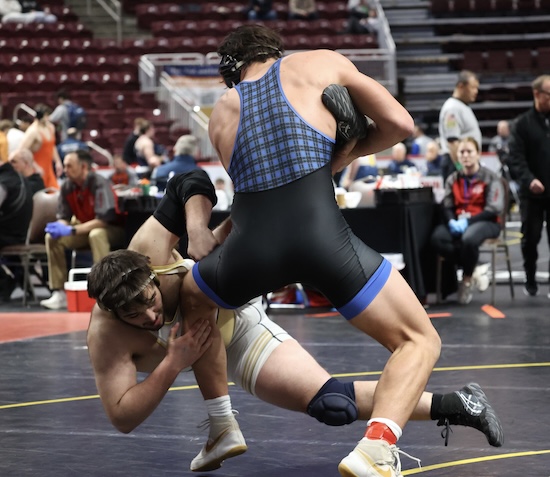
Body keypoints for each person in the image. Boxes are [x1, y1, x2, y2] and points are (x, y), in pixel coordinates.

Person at [87, 169, 503, 472]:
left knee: (230, 262)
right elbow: (123, 417)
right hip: (206, 352)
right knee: (332, 406)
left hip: (232, 318)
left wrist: (196, 227)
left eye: (150, 301)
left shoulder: (149, 249)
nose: (151, 316)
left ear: (151, 274)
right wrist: (172, 363)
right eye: (133, 316)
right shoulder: (106, 336)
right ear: (112, 313)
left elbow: (188, 181)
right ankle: (460, 404)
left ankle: (221, 425)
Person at [186, 24, 442, 477]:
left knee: (193, 297)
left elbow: (257, 192)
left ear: (231, 71)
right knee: (418, 340)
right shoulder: (320, 62)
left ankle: (222, 425)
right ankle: (376, 448)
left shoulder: (221, 110)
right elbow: (400, 125)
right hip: (323, 241)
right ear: (274, 51)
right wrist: (347, 152)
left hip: (250, 253)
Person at [40, 149, 126, 310]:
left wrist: (72, 230)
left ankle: (105, 290)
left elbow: (103, 221)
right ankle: (59, 293)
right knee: (51, 237)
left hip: (112, 229)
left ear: (84, 166)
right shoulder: (67, 186)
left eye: (69, 166)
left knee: (96, 234)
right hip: (83, 229)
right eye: (64, 166)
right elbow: (64, 216)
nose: (65, 170)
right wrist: (60, 226)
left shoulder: (99, 183)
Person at [430, 137, 504, 305]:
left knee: (469, 239)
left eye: (469, 151)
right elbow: (447, 206)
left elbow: (493, 209)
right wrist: (451, 222)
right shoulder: (453, 179)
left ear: (478, 154)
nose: (465, 155)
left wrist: (468, 222)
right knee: (437, 239)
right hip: (458, 221)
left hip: (487, 222)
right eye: (461, 152)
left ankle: (467, 279)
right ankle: (475, 267)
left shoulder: (490, 177)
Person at [507, 75, 550, 297]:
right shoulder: (522, 124)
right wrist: (529, 179)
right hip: (532, 193)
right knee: (531, 238)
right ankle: (530, 278)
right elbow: (516, 158)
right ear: (537, 94)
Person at [0, 146, 33, 301]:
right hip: (19, 233)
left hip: (9, 235)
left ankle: (4, 282)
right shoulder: (17, 178)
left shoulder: (5, 181)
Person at [438, 70, 482, 181]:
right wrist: (460, 168)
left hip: (466, 163)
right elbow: (453, 142)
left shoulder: (462, 106)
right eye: (473, 87)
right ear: (461, 86)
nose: (476, 91)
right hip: (456, 163)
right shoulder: (452, 108)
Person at [16, 104, 62, 190]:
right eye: (46, 116)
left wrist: (58, 161)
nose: (48, 118)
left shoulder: (50, 127)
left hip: (48, 167)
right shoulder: (33, 131)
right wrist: (35, 166)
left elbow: (52, 146)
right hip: (37, 168)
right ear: (41, 116)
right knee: (40, 193)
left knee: (54, 192)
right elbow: (21, 150)